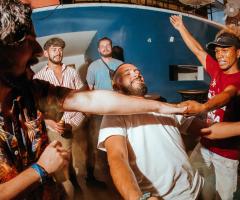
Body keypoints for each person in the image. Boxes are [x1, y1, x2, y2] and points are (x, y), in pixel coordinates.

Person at [0, 1, 185, 199]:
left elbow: (91, 100)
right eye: (28, 41)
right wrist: (41, 168)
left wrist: (165, 107)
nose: (38, 50)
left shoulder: (30, 90)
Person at [98, 63, 240, 200]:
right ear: (116, 86)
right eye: (127, 73)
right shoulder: (114, 115)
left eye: (137, 71)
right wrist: (137, 198)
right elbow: (117, 159)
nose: (136, 73)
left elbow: (208, 130)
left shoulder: (164, 107)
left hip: (195, 189)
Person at [170, 15, 240, 199]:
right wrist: (181, 28)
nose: (220, 55)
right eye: (217, 51)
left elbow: (227, 94)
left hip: (226, 152)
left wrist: (203, 108)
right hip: (206, 142)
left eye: (225, 50)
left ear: (239, 53)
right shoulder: (216, 70)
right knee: (193, 184)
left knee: (225, 196)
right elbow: (198, 50)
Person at [33, 37, 85, 198]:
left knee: (81, 155)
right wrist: (48, 121)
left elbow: (81, 98)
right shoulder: (38, 78)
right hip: (56, 128)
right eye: (54, 49)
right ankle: (71, 185)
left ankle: (79, 181)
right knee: (63, 160)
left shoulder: (71, 72)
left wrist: (74, 122)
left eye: (60, 49)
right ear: (46, 53)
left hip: (77, 123)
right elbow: (36, 108)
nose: (58, 52)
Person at [85, 37, 123, 186]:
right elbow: (89, 88)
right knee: (94, 144)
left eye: (108, 46)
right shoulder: (93, 67)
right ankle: (90, 176)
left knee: (117, 142)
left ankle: (116, 174)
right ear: (98, 50)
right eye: (102, 46)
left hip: (117, 111)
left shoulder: (120, 65)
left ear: (111, 48)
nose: (106, 48)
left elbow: (124, 88)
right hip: (99, 113)